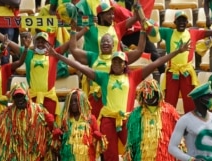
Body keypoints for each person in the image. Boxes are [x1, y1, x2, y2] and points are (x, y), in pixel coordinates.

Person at [45, 35, 190, 160]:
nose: (116, 64)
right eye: (114, 61)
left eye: (120, 61)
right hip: (108, 120)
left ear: (125, 64)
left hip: (127, 119)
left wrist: (178, 51)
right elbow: (81, 67)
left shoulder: (133, 77)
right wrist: (58, 56)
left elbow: (157, 63)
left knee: (133, 151)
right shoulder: (103, 77)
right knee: (110, 155)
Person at [0, 26, 88, 127]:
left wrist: (85, 29)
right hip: (32, 98)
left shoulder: (53, 54)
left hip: (49, 98)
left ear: (49, 44)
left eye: (43, 42)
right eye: (38, 42)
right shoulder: (28, 53)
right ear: (34, 43)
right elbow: (8, 42)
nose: (40, 44)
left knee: (50, 127)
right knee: (33, 128)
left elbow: (70, 42)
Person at [69, 18, 146, 118]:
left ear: (113, 45)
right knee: (94, 126)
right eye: (102, 41)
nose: (105, 43)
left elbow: (139, 51)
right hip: (95, 98)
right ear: (99, 45)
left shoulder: (121, 58)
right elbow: (74, 50)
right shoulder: (93, 56)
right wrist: (73, 31)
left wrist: (143, 30)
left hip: (113, 96)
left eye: (108, 41)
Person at [159, 11, 212, 114]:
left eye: (184, 20)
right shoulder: (168, 32)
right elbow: (152, 30)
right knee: (169, 103)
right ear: (175, 22)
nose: (181, 22)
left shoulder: (193, 33)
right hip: (172, 72)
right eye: (179, 20)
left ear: (187, 22)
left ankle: (191, 127)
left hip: (186, 73)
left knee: (190, 102)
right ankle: (168, 127)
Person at [0, 82, 61, 160]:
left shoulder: (40, 112)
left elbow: (53, 143)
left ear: (27, 95)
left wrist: (51, 128)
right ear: (13, 99)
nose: (19, 99)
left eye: (22, 96)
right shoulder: (6, 115)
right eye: (16, 97)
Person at [168, 82, 212, 161]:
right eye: (209, 96)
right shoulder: (185, 120)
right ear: (200, 100)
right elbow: (172, 147)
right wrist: (190, 159)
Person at [123, 78, 180, 161]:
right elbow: (131, 141)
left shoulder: (170, 111)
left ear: (158, 94)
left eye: (152, 94)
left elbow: (178, 136)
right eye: (146, 95)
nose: (149, 98)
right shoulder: (136, 114)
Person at [59, 88, 107, 161]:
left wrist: (99, 137)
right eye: (71, 101)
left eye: (76, 100)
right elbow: (61, 142)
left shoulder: (90, 119)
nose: (73, 103)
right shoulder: (66, 120)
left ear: (83, 102)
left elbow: (99, 144)